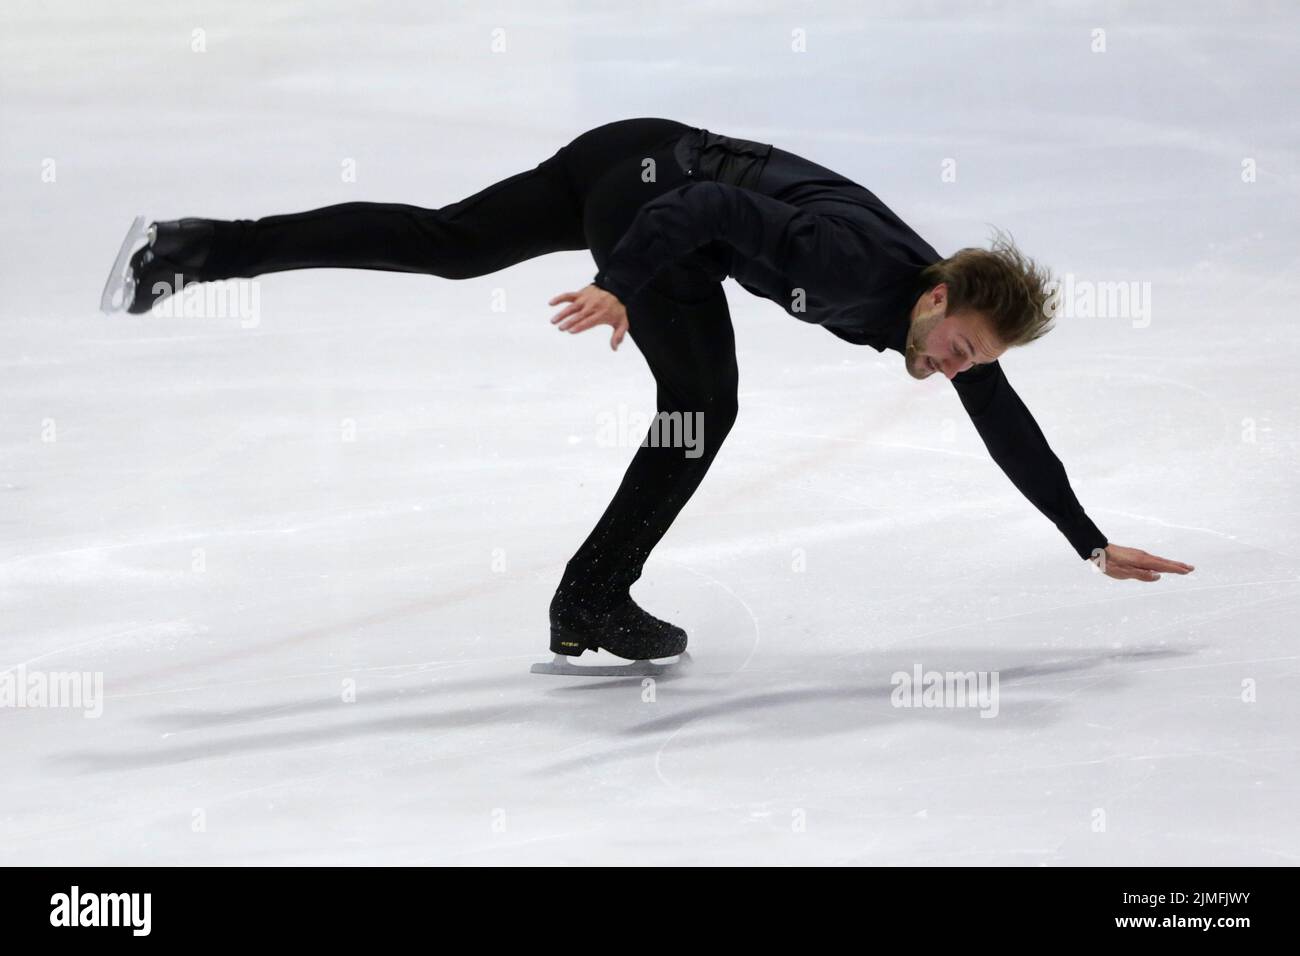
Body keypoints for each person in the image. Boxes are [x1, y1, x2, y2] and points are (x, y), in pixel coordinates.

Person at [100, 117, 1195, 662]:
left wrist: (1085, 538)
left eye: (967, 360)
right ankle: (591, 593)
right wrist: (619, 284)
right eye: (957, 344)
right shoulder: (857, 263)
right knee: (702, 405)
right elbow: (710, 219)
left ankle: (197, 246)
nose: (952, 369)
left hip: (632, 150)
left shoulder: (935, 321)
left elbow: (1004, 420)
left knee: (450, 244)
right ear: (940, 288)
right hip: (659, 199)